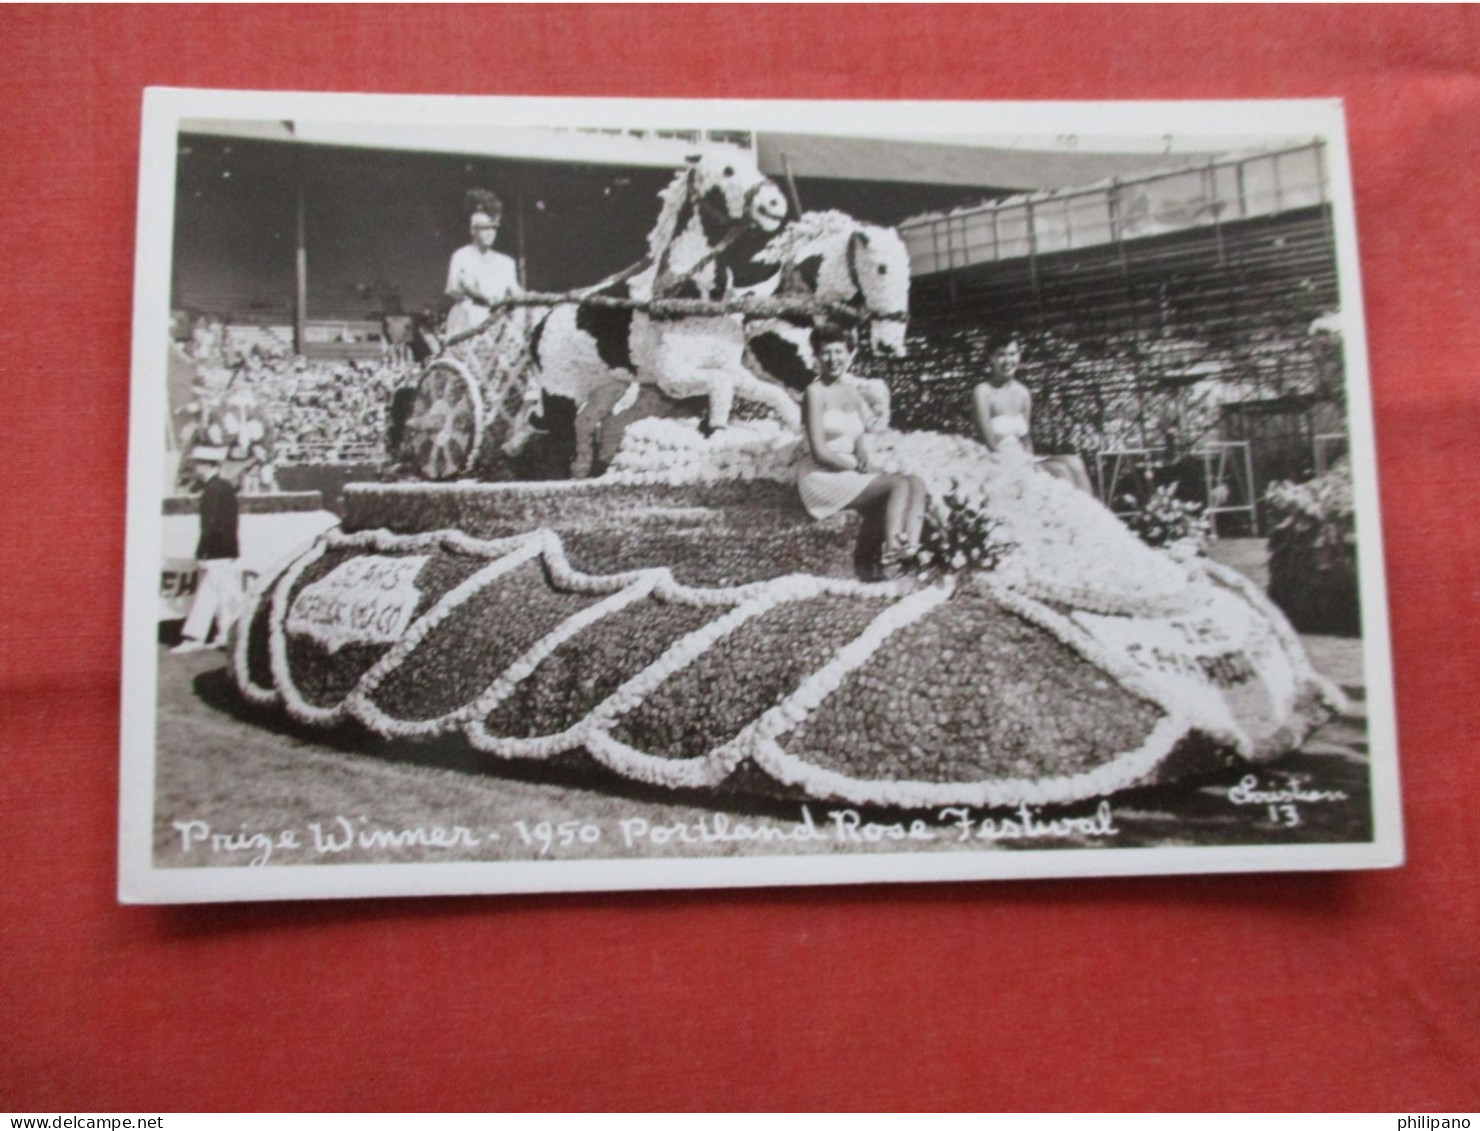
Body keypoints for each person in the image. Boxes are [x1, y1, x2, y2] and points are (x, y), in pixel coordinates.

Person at [798, 325, 927, 578]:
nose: (833, 359)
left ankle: (909, 549)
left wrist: (864, 454)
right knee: (898, 485)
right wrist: (856, 468)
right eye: (826, 352)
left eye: (839, 352)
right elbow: (818, 451)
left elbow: (859, 433)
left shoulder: (852, 392)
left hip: (850, 470)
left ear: (849, 354)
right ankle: (891, 549)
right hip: (823, 475)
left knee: (917, 482)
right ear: (816, 356)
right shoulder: (814, 392)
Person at [971, 331, 1093, 493]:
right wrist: (1020, 465)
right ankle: (1068, 516)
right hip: (998, 460)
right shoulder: (983, 392)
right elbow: (988, 442)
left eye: (1012, 354)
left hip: (1023, 458)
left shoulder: (1023, 393)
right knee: (1060, 471)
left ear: (1019, 356)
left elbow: (1026, 440)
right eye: (1001, 355)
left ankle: (1091, 516)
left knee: (1075, 463)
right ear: (991, 358)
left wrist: (1030, 462)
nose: (1008, 361)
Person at [171, 446, 242, 654]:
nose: (195, 469)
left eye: (197, 464)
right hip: (226, 551)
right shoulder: (224, 487)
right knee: (225, 595)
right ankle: (227, 636)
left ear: (207, 465)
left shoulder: (213, 490)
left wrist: (203, 552)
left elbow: (210, 526)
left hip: (216, 552)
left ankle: (195, 637)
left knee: (208, 595)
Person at [444, 188, 522, 338]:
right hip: (467, 320)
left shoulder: (506, 262)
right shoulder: (461, 256)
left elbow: (516, 292)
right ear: (472, 230)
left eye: (493, 228)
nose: (490, 233)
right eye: (484, 228)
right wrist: (485, 298)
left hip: (497, 320)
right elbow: (461, 286)